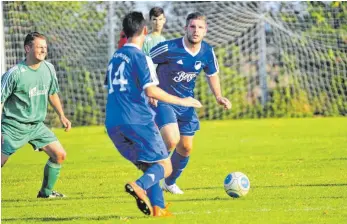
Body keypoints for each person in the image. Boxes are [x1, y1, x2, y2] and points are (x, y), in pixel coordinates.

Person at [105, 12, 202, 217]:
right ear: (145, 31)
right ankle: (138, 185)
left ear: (124, 32)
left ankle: (158, 208)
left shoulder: (114, 58)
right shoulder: (141, 57)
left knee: (151, 165)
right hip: (137, 121)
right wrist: (182, 101)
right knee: (165, 166)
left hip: (113, 124)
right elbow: (151, 91)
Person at [149, 12, 232, 194]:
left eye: (200, 27)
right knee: (171, 139)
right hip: (164, 100)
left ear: (205, 31)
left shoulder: (207, 52)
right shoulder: (169, 48)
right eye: (192, 27)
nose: (196, 31)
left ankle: (169, 183)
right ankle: (150, 178)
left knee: (186, 147)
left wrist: (219, 96)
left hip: (186, 103)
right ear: (185, 28)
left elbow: (212, 74)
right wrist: (150, 88)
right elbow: (143, 61)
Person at [1, 32, 72, 198]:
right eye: (40, 47)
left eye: (45, 47)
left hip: (36, 126)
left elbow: (52, 93)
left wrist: (62, 115)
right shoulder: (15, 73)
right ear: (27, 48)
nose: (43, 50)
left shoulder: (49, 68)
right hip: (13, 126)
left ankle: (45, 194)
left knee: (59, 155)